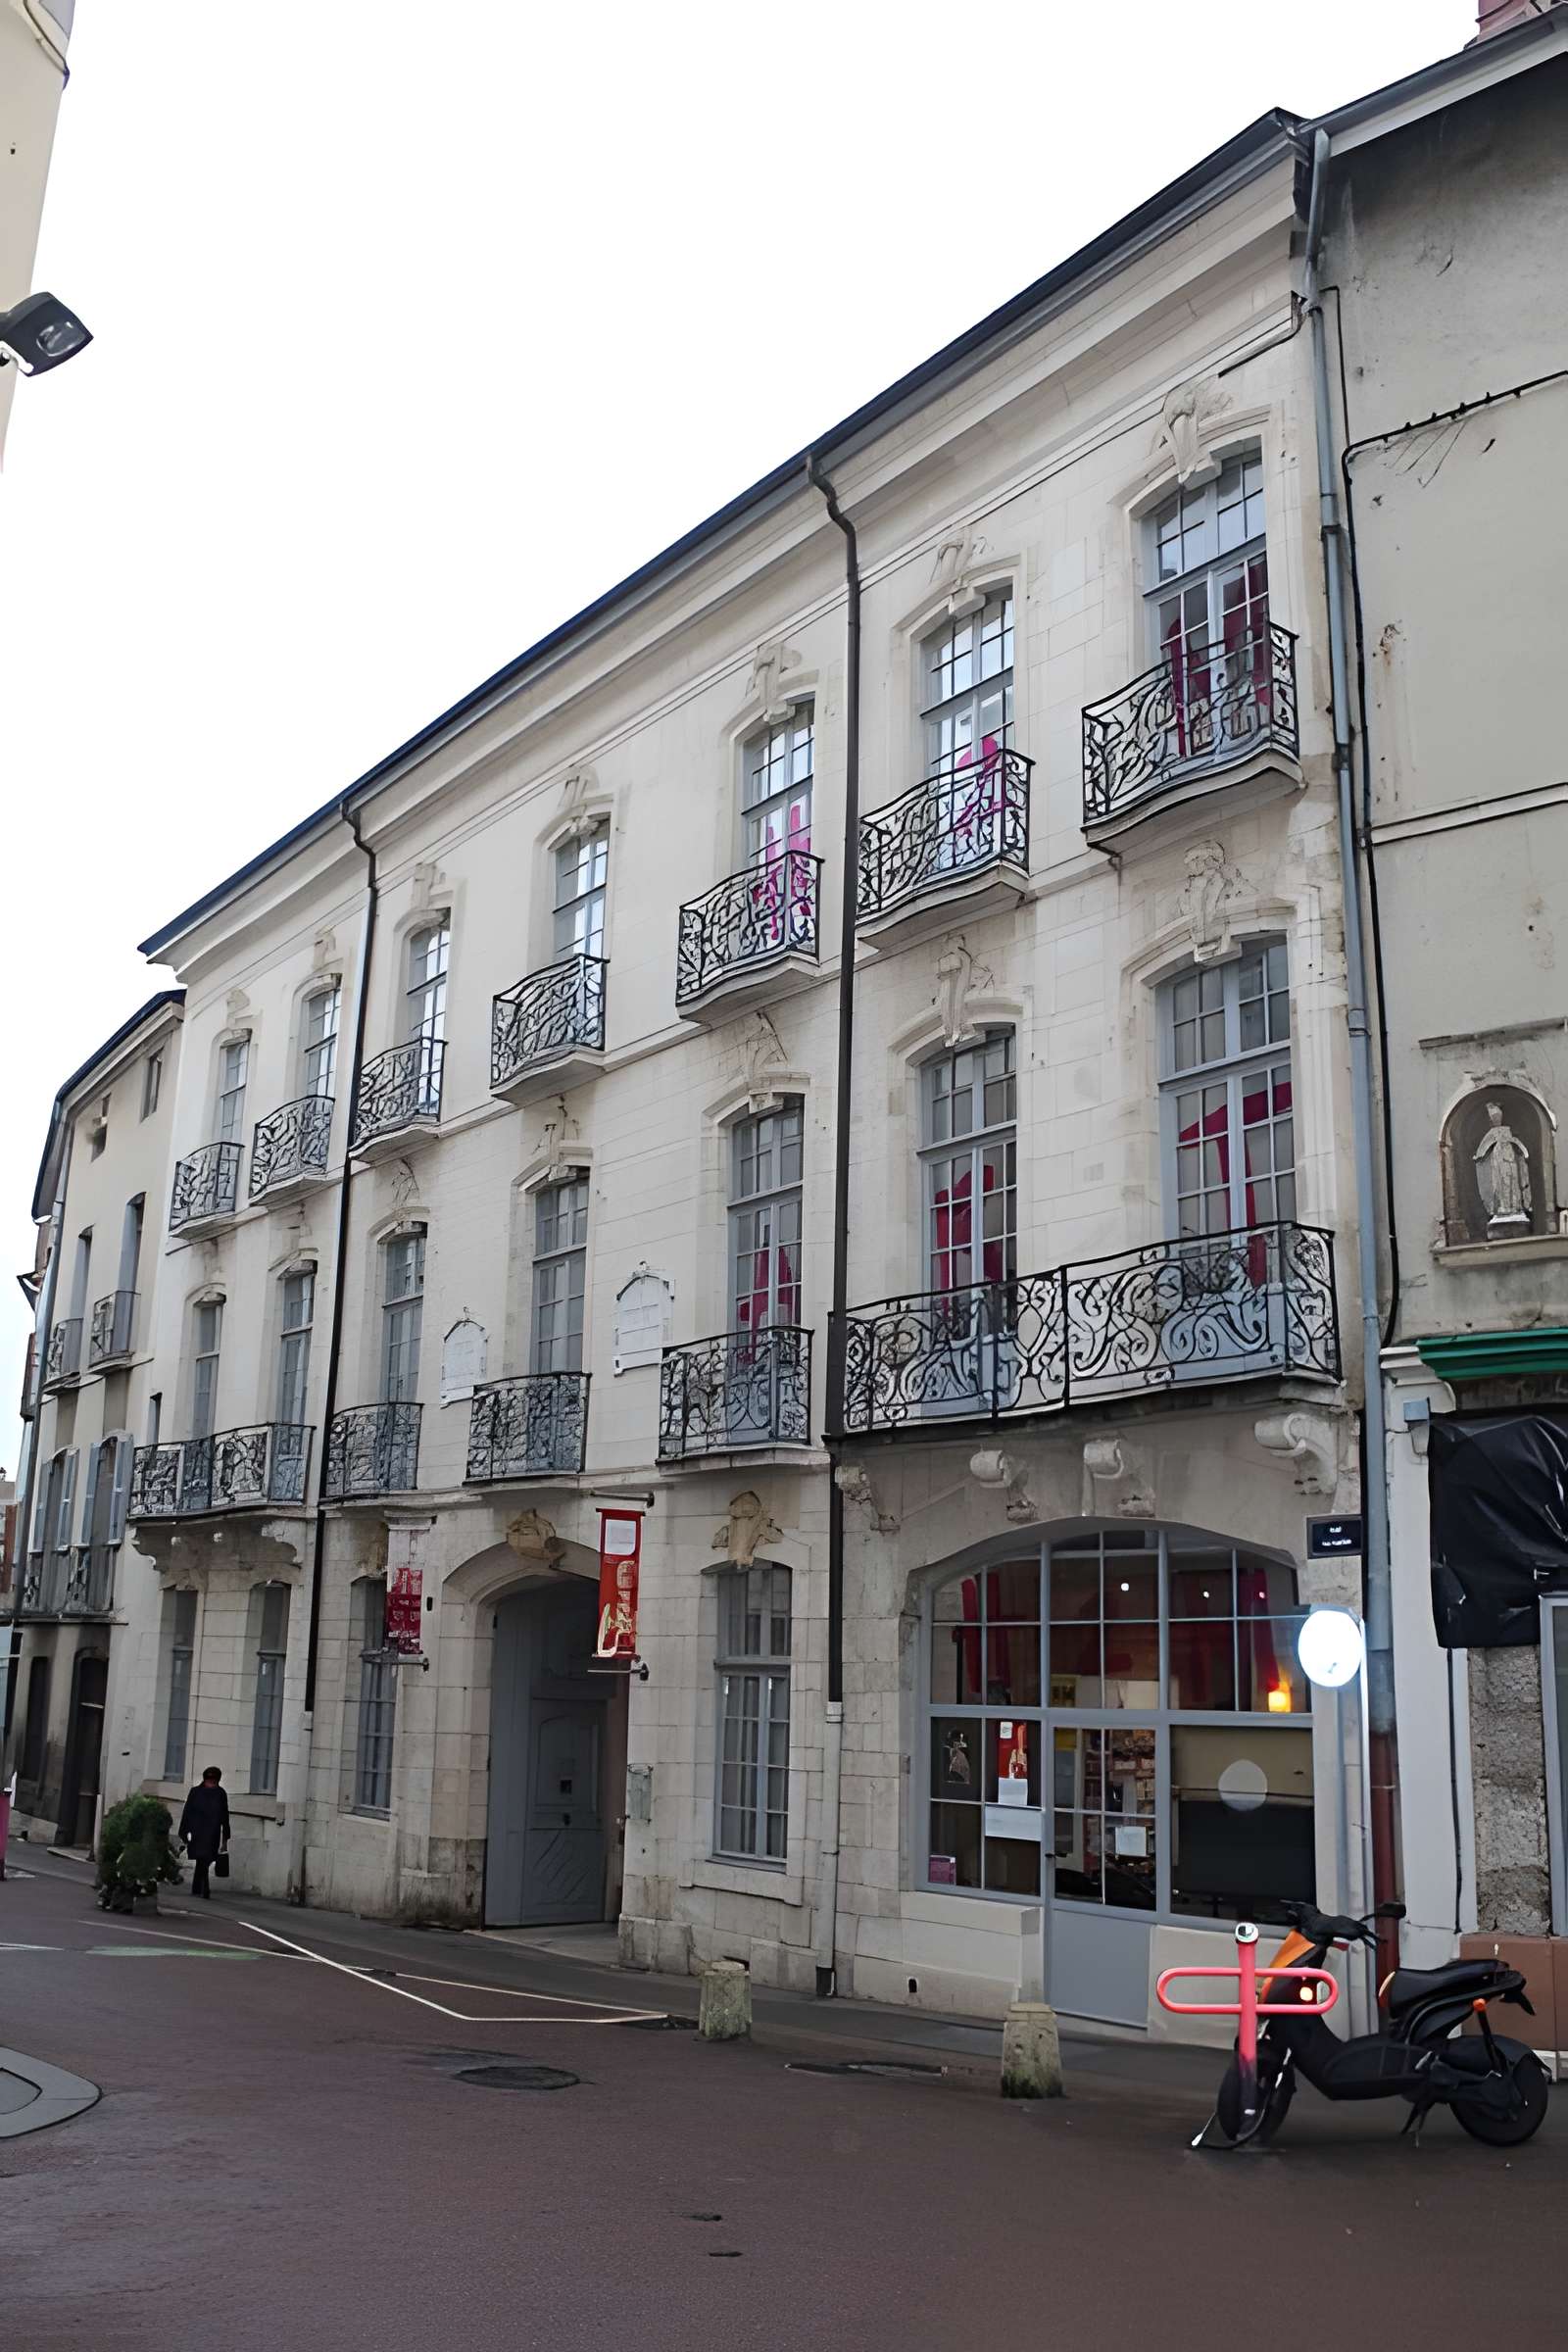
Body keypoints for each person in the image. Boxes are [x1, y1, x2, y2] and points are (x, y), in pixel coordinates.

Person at [178, 1766, 230, 1897]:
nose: (211, 1783)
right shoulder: (196, 1792)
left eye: (213, 1780)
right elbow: (187, 1812)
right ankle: (204, 1887)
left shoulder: (220, 1793)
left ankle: (197, 1887)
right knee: (203, 1858)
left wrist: (225, 1837)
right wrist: (184, 1832)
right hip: (199, 1832)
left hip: (211, 1833)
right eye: (209, 1780)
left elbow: (225, 1816)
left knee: (204, 1859)